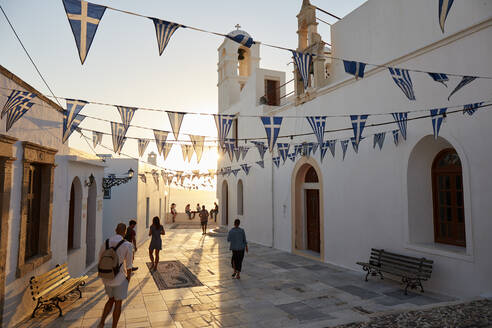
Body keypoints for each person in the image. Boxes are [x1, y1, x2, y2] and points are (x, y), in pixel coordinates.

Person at [97, 223, 133, 328]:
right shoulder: (127, 245)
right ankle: (114, 326)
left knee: (110, 299)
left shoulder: (106, 243)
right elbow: (129, 265)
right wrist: (128, 279)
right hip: (120, 279)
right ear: (125, 232)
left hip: (107, 278)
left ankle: (102, 322)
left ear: (115, 230)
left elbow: (100, 259)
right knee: (118, 303)